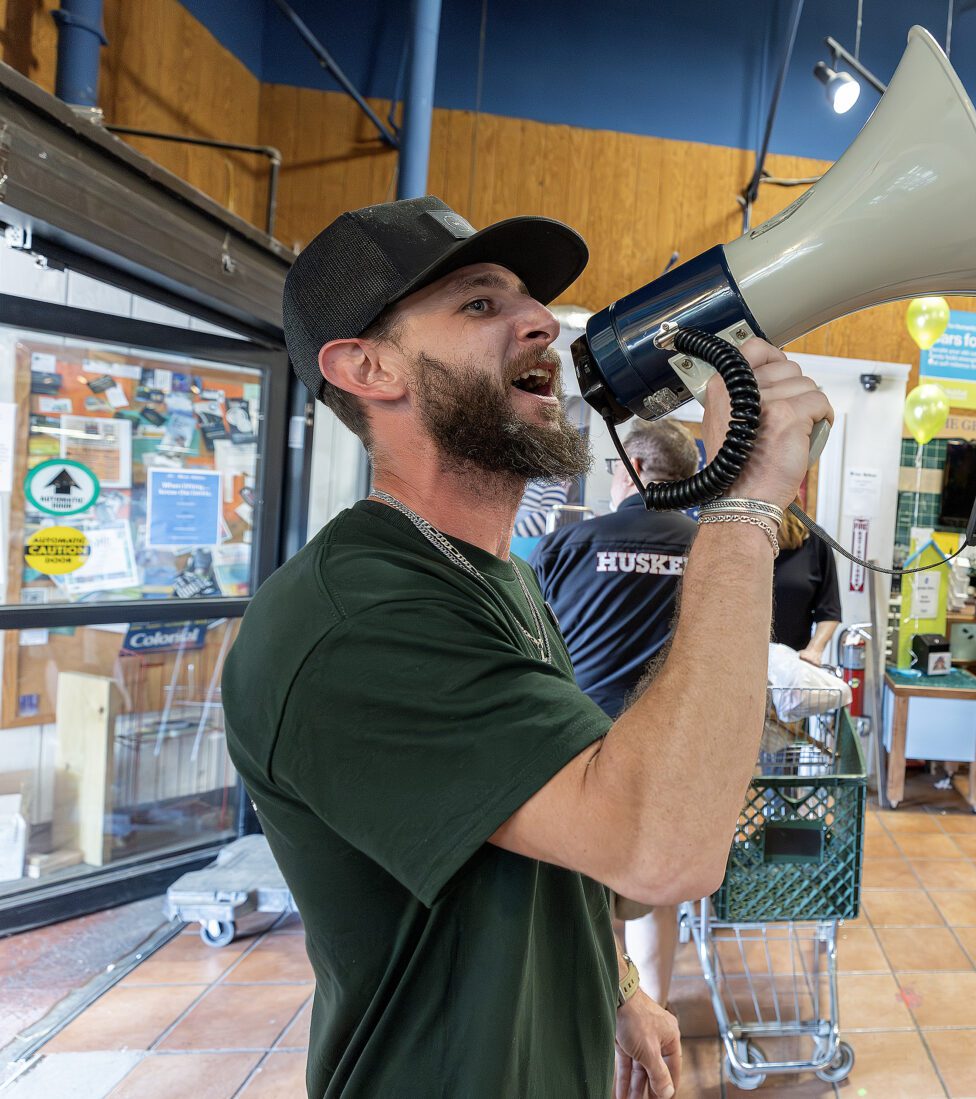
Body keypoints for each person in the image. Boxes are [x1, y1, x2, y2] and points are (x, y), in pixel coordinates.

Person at [221, 196, 831, 1099]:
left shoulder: (494, 575)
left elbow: (554, 822)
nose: (542, 321)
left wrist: (619, 982)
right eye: (479, 304)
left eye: (528, 302)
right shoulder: (357, 621)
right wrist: (741, 510)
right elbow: (662, 850)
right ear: (367, 366)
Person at [531, 420, 699, 1013]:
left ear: (627, 470)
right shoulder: (706, 549)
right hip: (672, 752)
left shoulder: (567, 544)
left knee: (590, 893)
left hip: (581, 747)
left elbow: (537, 645)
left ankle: (608, 1015)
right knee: (656, 889)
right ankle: (657, 1010)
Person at [772, 508, 842, 665]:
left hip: (791, 668)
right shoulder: (740, 537)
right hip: (740, 662)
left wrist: (814, 650)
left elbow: (829, 611)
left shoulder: (815, 541)